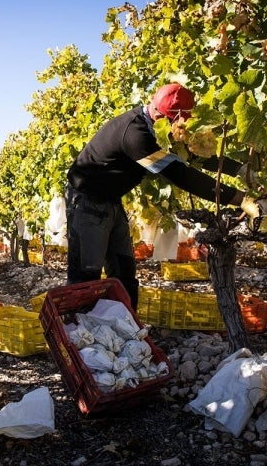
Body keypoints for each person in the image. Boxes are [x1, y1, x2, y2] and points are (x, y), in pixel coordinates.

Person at [65, 83, 246, 309]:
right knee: (86, 275)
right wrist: (239, 198)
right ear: (161, 114)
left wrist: (239, 169)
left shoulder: (160, 129)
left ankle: (126, 328)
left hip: (111, 199)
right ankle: (79, 336)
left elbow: (195, 153)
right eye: (177, 122)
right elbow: (180, 175)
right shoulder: (135, 136)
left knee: (124, 271)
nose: (181, 128)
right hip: (86, 201)